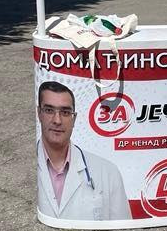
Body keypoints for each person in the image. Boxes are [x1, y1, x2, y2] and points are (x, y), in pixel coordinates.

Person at [35, 81, 130, 221]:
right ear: (39, 114)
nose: (57, 120)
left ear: (74, 119)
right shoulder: (21, 170)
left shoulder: (108, 172)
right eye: (49, 110)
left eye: (65, 112)